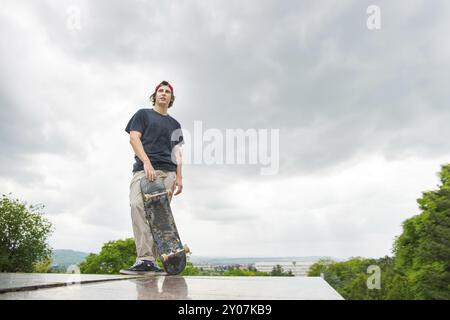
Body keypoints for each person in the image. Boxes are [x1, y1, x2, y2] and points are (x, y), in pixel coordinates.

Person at [120, 80, 184, 274]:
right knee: (137, 205)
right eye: (160, 91)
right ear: (155, 96)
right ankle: (144, 260)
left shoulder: (175, 124)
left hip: (168, 173)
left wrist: (179, 178)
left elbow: (177, 153)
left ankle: (152, 262)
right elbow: (133, 138)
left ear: (171, 98)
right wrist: (147, 162)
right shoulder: (143, 114)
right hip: (143, 170)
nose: (163, 93)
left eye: (167, 92)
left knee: (159, 217)